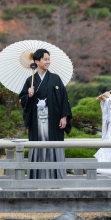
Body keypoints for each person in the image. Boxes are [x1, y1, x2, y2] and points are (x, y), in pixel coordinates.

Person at [19, 48, 72, 179]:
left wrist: (64, 117)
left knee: (54, 145)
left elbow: (64, 98)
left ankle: (56, 176)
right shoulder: (29, 80)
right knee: (38, 145)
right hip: (37, 120)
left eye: (49, 59)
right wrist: (29, 95)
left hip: (53, 119)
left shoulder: (55, 78)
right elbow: (22, 101)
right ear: (37, 61)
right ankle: (37, 176)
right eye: (45, 59)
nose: (48, 62)